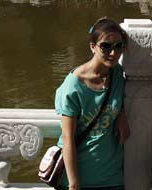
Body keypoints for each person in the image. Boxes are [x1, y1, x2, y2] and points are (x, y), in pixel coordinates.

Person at [54, 17, 129, 190]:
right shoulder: (73, 86)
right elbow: (67, 138)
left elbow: (119, 98)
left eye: (119, 46)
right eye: (106, 46)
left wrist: (121, 113)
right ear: (93, 46)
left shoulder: (117, 73)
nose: (113, 53)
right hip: (79, 177)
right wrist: (74, 184)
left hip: (112, 176)